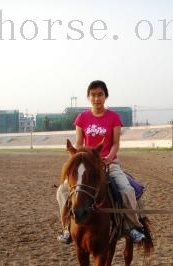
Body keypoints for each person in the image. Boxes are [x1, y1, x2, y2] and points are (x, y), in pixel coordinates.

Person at [56, 80, 145, 243]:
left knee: (126, 190)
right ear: (89, 97)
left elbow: (116, 143)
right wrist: (78, 157)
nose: (97, 98)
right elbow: (80, 142)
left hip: (109, 163)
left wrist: (109, 158)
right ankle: (67, 227)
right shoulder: (82, 118)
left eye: (100, 95)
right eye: (93, 95)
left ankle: (132, 226)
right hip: (87, 164)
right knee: (62, 191)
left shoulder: (114, 117)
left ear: (105, 96)